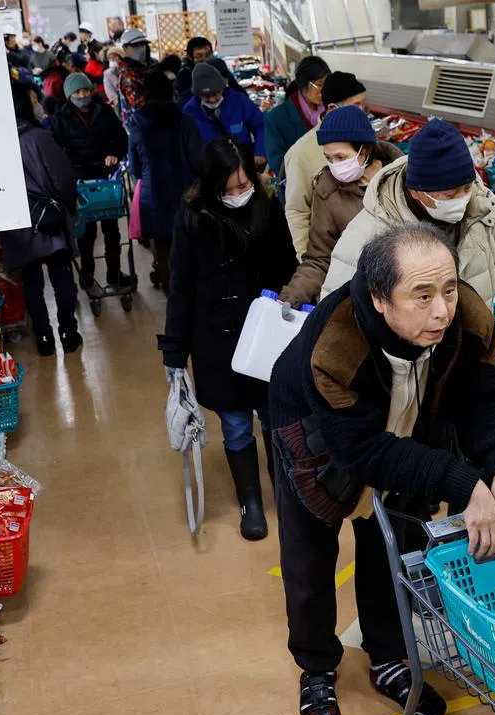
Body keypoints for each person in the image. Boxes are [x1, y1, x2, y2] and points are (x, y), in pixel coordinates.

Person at [269, 222, 495, 715]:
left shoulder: (468, 319)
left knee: (397, 544)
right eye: (422, 295)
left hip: (410, 422)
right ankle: (316, 665)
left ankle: (388, 655)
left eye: (449, 289)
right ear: (380, 299)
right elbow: (362, 450)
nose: (442, 309)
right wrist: (464, 483)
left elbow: (489, 399)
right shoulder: (337, 342)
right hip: (316, 429)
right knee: (309, 553)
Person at [158, 137, 297, 540]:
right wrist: (174, 351)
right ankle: (250, 502)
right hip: (216, 339)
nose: (239, 194)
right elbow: (180, 287)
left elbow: (289, 266)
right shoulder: (191, 217)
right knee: (236, 424)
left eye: (244, 185)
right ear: (211, 184)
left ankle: (286, 495)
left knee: (276, 418)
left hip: (266, 332)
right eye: (229, 188)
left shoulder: (268, 207)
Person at [321, 120, 495, 352]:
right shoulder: (371, 231)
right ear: (416, 192)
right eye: (449, 194)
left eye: (466, 188)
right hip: (407, 365)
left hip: (473, 353)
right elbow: (336, 314)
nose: (462, 198)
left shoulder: (482, 207)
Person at [278, 106, 403, 308]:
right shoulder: (328, 192)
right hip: (358, 301)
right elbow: (319, 259)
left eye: (341, 157)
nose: (335, 166)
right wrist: (290, 298)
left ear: (366, 150)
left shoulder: (401, 181)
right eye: (329, 158)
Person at [0, 72, 83, 356]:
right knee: (61, 278)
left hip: (18, 225)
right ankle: (68, 332)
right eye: (34, 99)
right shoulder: (38, 137)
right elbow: (62, 177)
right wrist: (67, 207)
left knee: (32, 283)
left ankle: (43, 338)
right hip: (48, 219)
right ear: (23, 104)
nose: (39, 104)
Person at [51, 72, 130, 290]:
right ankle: (87, 276)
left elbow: (121, 137)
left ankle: (114, 274)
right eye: (77, 92)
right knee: (86, 233)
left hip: (106, 179)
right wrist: (70, 167)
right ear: (69, 95)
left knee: (112, 231)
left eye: (85, 90)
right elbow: (56, 150)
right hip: (80, 182)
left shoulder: (104, 111)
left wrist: (114, 152)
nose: (82, 95)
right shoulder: (60, 119)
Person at [128, 71, 203, 293]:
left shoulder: (138, 121)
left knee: (163, 250)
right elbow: (197, 159)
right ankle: (194, 295)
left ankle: (173, 300)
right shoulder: (184, 118)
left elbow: (135, 167)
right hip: (186, 192)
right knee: (190, 246)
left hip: (154, 196)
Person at [283, 71, 369, 257]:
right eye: (356, 106)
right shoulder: (301, 153)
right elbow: (297, 211)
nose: (363, 112)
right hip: (330, 252)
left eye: (364, 105)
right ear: (332, 108)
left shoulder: (365, 140)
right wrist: (308, 258)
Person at [182, 63, 266, 171]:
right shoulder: (189, 112)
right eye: (207, 96)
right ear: (198, 95)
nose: (212, 100)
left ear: (223, 87)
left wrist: (260, 152)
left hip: (243, 165)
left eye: (216, 94)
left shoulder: (239, 101)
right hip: (209, 170)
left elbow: (261, 125)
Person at [264, 56, 330, 182]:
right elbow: (278, 165)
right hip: (298, 187)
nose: (324, 90)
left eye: (327, 85)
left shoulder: (331, 110)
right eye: (320, 85)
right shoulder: (276, 119)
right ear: (303, 84)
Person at [176, 37, 242, 106]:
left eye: (208, 55)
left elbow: (237, 89)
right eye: (199, 57)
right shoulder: (185, 74)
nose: (205, 60)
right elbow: (183, 102)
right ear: (190, 57)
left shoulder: (219, 68)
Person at [117, 28, 152, 126]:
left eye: (142, 44)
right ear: (125, 48)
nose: (140, 49)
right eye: (135, 46)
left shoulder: (147, 66)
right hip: (139, 127)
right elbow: (139, 106)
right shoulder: (127, 75)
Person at [103, 47, 124, 115]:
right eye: (110, 58)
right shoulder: (107, 74)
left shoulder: (126, 70)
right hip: (119, 105)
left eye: (114, 57)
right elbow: (110, 93)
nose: (112, 60)